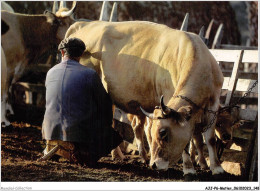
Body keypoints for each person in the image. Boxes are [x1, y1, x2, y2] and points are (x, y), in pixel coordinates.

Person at [41, 37, 122, 166]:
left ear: (62, 53)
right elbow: (105, 104)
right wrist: (105, 125)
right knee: (115, 135)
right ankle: (82, 154)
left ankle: (54, 148)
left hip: (49, 132)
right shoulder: (89, 74)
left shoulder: (51, 72)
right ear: (81, 55)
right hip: (77, 136)